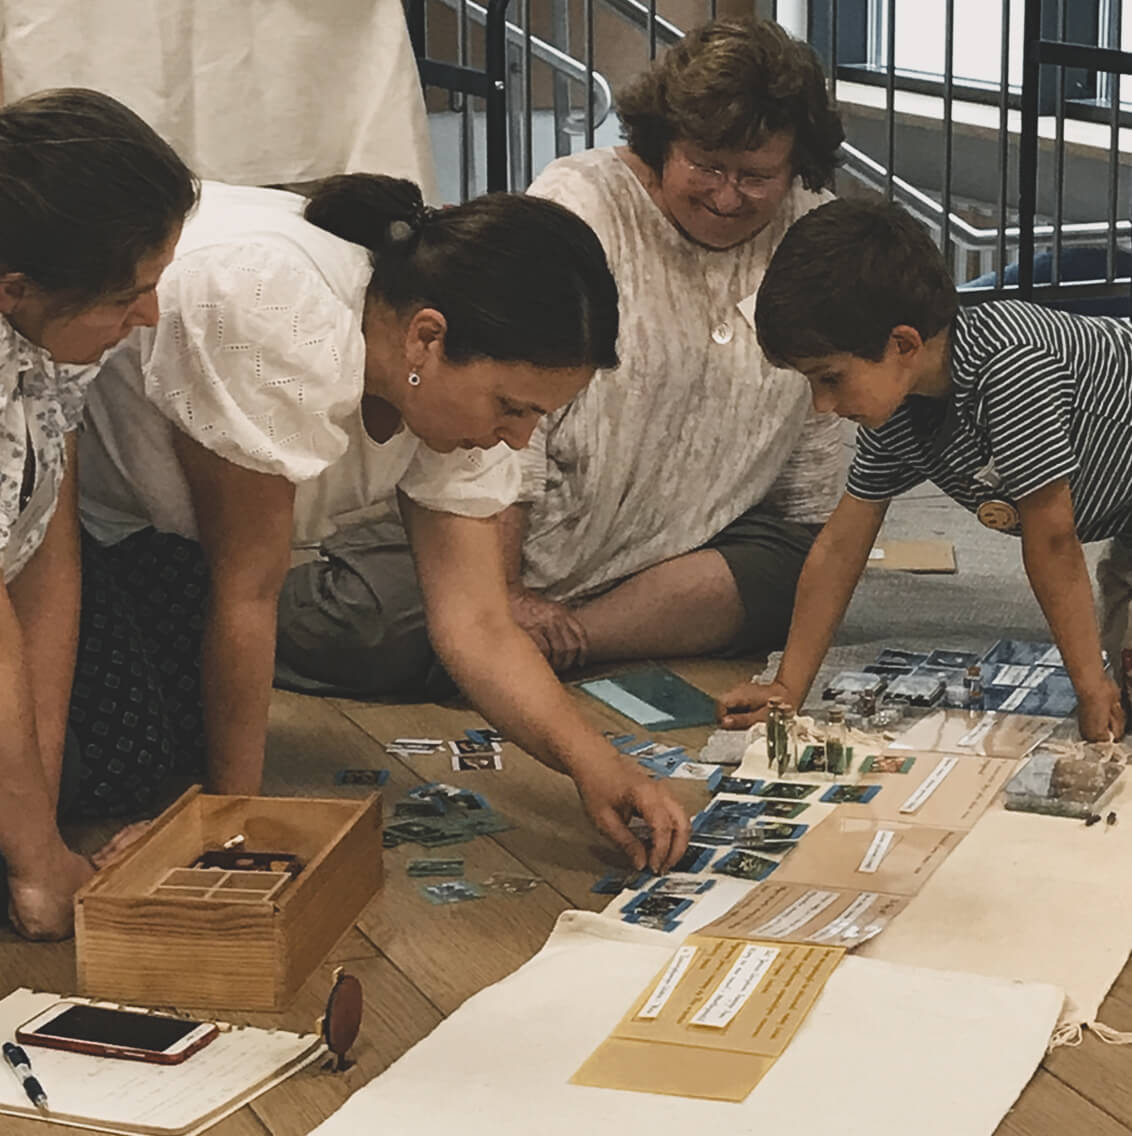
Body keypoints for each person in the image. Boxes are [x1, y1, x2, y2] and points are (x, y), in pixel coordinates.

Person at [76, 175, 691, 872]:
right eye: (511, 407)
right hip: (51, 528)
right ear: (427, 339)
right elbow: (245, 585)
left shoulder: (438, 381)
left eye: (536, 418)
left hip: (153, 545)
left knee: (175, 748)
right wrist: (233, 821)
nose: (519, 440)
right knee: (120, 766)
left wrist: (597, 766)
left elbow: (479, 626)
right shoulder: (269, 309)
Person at [273, 16, 845, 686]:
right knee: (368, 623)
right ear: (664, 141)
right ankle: (509, 638)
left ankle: (555, 644)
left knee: (801, 579)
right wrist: (507, 593)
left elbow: (821, 416)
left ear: (795, 167)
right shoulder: (582, 205)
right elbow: (510, 424)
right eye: (706, 166)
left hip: (674, 553)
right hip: (513, 534)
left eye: (755, 177)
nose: (726, 195)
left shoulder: (812, 230)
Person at [717, 197, 1132, 742]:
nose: (821, 404)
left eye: (831, 378)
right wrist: (788, 689)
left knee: (1113, 694)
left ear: (903, 344)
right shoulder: (897, 408)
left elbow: (1053, 538)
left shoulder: (1012, 367)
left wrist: (1091, 685)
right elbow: (842, 544)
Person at [0, 87, 196, 939]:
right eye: (129, 296)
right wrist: (38, 860)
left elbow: (43, 551)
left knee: (117, 765)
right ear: (16, 288)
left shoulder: (50, 337)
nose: (149, 314)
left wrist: (41, 803)